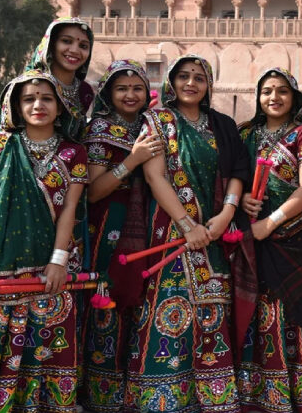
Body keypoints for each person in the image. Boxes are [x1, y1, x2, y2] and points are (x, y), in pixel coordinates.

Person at [124, 54, 252, 412]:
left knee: (212, 311)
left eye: (199, 77)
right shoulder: (157, 121)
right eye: (183, 76)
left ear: (209, 84)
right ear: (171, 82)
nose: (191, 83)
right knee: (171, 308)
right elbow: (155, 177)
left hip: (214, 234)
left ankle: (212, 396)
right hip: (171, 232)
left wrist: (227, 214)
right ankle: (162, 399)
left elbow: (238, 171)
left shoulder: (223, 125)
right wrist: (186, 225)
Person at [237, 67, 302, 412]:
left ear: (294, 97)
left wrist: (270, 222)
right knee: (257, 310)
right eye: (267, 91)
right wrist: (242, 200)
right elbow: (233, 179)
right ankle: (258, 391)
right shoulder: (245, 133)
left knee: (298, 311)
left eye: (282, 91)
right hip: (253, 235)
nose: (274, 97)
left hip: (296, 238)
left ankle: (301, 392)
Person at [0, 69, 88, 411]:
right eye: (29, 99)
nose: (38, 105)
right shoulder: (3, 145)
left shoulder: (73, 153)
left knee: (46, 347)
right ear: (16, 106)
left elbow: (69, 211)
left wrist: (58, 261)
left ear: (61, 105)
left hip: (50, 267)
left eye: (47, 98)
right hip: (4, 267)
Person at [81, 60, 161, 411]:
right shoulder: (100, 128)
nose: (130, 95)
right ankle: (103, 394)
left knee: (142, 302)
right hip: (109, 231)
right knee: (108, 302)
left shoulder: (153, 126)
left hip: (146, 225)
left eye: (137, 88)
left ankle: (135, 390)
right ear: (108, 93)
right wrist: (132, 160)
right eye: (122, 88)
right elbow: (94, 191)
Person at [27, 17, 95, 140]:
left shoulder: (84, 91)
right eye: (66, 41)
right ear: (51, 44)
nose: (75, 50)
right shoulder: (29, 86)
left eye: (83, 46)